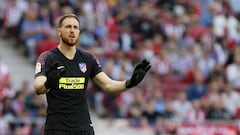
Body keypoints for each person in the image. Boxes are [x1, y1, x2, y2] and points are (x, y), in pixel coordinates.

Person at [33, 13, 151, 135]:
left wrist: (131, 82)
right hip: (57, 128)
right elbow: (37, 87)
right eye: (68, 27)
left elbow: (108, 85)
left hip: (83, 128)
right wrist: (48, 83)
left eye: (75, 27)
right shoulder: (47, 57)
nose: (72, 31)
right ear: (59, 31)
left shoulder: (87, 58)